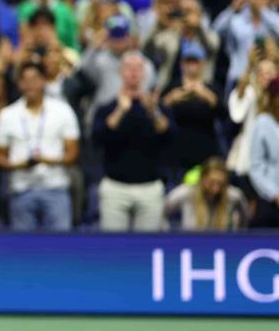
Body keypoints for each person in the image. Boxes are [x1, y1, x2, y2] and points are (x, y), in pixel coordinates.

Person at [0, 62, 81, 230]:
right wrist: (18, 165)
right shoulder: (7, 115)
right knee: (24, 250)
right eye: (24, 80)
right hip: (21, 188)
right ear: (19, 84)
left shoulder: (62, 111)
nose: (29, 85)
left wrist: (47, 160)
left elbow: (73, 153)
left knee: (60, 247)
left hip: (55, 186)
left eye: (34, 79)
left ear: (43, 81)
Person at [93, 51, 172, 231]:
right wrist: (121, 111)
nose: (134, 73)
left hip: (149, 187)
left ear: (144, 73)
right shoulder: (107, 108)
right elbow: (97, 139)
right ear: (120, 72)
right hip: (115, 187)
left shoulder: (156, 107)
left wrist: (153, 112)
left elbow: (169, 137)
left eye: (138, 68)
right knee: (113, 248)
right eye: (129, 68)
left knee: (148, 247)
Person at [159, 41, 221, 180]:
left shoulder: (212, 87)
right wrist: (171, 99)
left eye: (195, 62)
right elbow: (158, 112)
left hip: (206, 152)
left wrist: (205, 94)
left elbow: (225, 114)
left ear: (203, 63)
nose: (191, 66)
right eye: (188, 62)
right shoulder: (173, 86)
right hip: (177, 153)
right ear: (182, 63)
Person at [164, 158, 248, 231]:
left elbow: (245, 218)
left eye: (221, 184)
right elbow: (162, 211)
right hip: (192, 244)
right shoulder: (185, 192)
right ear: (202, 178)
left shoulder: (234, 195)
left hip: (222, 244)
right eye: (211, 183)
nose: (216, 189)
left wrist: (237, 235)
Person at [248, 78, 279, 227]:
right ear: (272, 98)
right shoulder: (263, 123)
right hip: (269, 202)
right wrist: (274, 194)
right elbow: (256, 167)